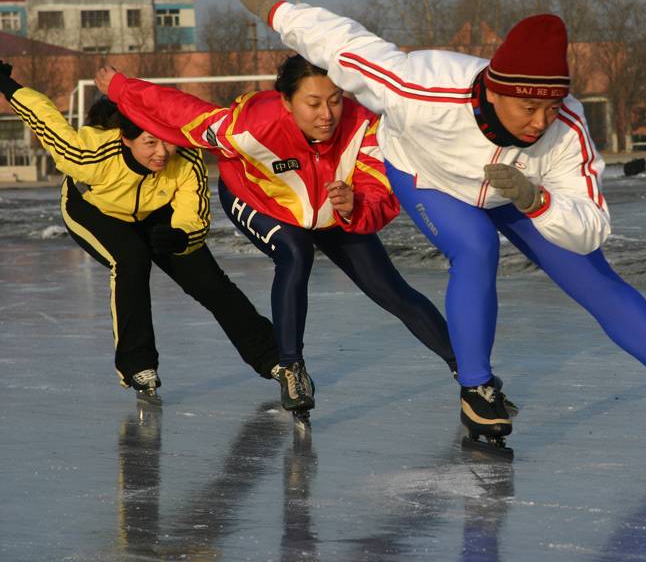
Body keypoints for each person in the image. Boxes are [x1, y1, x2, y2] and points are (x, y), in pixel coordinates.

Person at [232, 0, 646, 450]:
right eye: (529, 107)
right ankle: (477, 391)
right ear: (497, 90)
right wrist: (270, 6)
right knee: (476, 248)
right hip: (427, 175)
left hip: (519, 192)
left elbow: (591, 227)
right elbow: (340, 42)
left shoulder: (567, 128)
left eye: (550, 107)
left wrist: (538, 198)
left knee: (591, 274)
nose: (539, 121)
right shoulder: (423, 86)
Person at [93, 53, 463, 419]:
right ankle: (292, 369)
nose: (327, 115)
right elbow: (182, 111)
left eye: (335, 101)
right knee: (295, 253)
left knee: (391, 290)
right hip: (258, 197)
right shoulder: (250, 124)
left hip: (330, 210)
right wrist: (121, 88)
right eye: (313, 103)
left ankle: (471, 375)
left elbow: (380, 193)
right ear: (287, 102)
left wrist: (355, 205)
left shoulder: (364, 128)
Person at [0, 59, 298, 407]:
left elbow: (193, 214)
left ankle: (276, 360)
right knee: (131, 259)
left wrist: (181, 237)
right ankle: (138, 365)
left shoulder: (185, 158)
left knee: (210, 282)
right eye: (150, 144)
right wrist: (7, 86)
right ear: (126, 139)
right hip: (95, 209)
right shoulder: (88, 154)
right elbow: (44, 115)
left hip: (156, 212)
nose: (163, 153)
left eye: (168, 142)